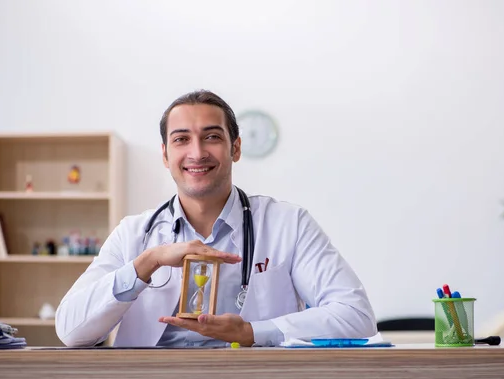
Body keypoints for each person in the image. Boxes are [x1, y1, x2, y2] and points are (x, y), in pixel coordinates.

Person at [55, 90, 377, 348]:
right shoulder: (134, 234)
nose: (197, 152)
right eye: (181, 139)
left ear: (235, 148)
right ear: (166, 155)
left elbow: (356, 315)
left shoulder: (288, 224)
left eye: (211, 137)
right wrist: (146, 264)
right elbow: (71, 331)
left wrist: (253, 332)